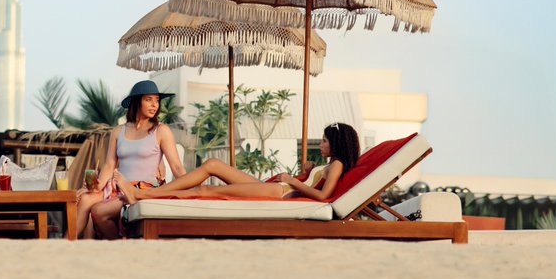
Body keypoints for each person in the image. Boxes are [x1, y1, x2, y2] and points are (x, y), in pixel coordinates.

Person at [115, 121, 361, 204]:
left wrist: (293, 182)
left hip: (280, 191)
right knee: (212, 163)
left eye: (325, 141)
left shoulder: (336, 165)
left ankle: (145, 196)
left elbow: (323, 197)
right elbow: (317, 186)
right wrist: (306, 174)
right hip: (278, 187)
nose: (321, 144)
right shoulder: (331, 165)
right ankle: (147, 193)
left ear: (337, 144)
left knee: (206, 190)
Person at [73, 80, 187, 239]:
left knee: (98, 211)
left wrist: (193, 190)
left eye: (157, 100)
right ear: (137, 102)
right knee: (85, 198)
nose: (154, 105)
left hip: (143, 190)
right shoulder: (118, 131)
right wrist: (97, 185)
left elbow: (177, 167)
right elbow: (110, 164)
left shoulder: (161, 131)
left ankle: (119, 245)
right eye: (149, 99)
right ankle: (66, 241)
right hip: (117, 188)